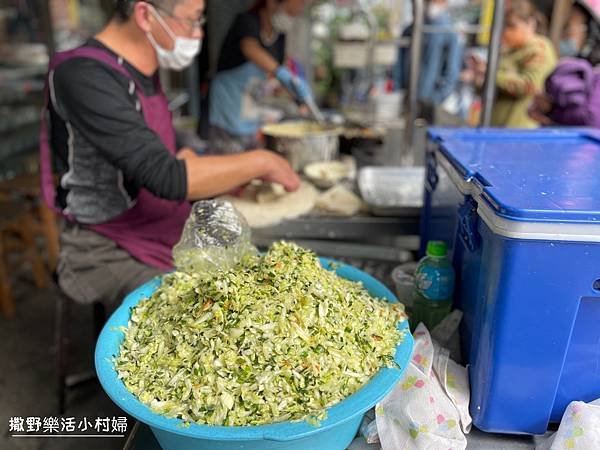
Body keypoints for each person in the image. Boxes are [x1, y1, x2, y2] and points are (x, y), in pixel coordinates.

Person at [40, 0, 300, 312]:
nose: (198, 33)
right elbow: (166, 176)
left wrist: (211, 171)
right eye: (191, 21)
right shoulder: (83, 75)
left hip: (158, 225)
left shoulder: (142, 68)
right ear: (145, 15)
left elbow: (160, 147)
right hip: (101, 247)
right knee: (204, 313)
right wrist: (262, 161)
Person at [208, 0, 312, 154]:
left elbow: (277, 74)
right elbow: (251, 49)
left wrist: (300, 98)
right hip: (226, 111)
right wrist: (281, 73)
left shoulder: (280, 36)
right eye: (289, 12)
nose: (291, 19)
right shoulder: (247, 21)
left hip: (250, 114)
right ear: (271, 3)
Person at [481, 0, 557, 128]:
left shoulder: (538, 49)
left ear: (530, 23)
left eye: (512, 25)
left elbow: (528, 85)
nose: (507, 30)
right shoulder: (509, 49)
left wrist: (493, 74)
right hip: (496, 125)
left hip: (519, 130)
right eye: (505, 25)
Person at [529, 0, 600, 127]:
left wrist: (551, 109)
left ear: (593, 33)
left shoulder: (596, 75)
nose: (564, 34)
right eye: (564, 27)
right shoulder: (569, 72)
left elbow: (592, 122)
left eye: (569, 27)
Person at [393, 0, 463, 120]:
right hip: (408, 100)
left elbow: (451, 73)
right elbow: (399, 66)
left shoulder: (448, 32)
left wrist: (435, 99)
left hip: (431, 104)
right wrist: (399, 92)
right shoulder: (409, 30)